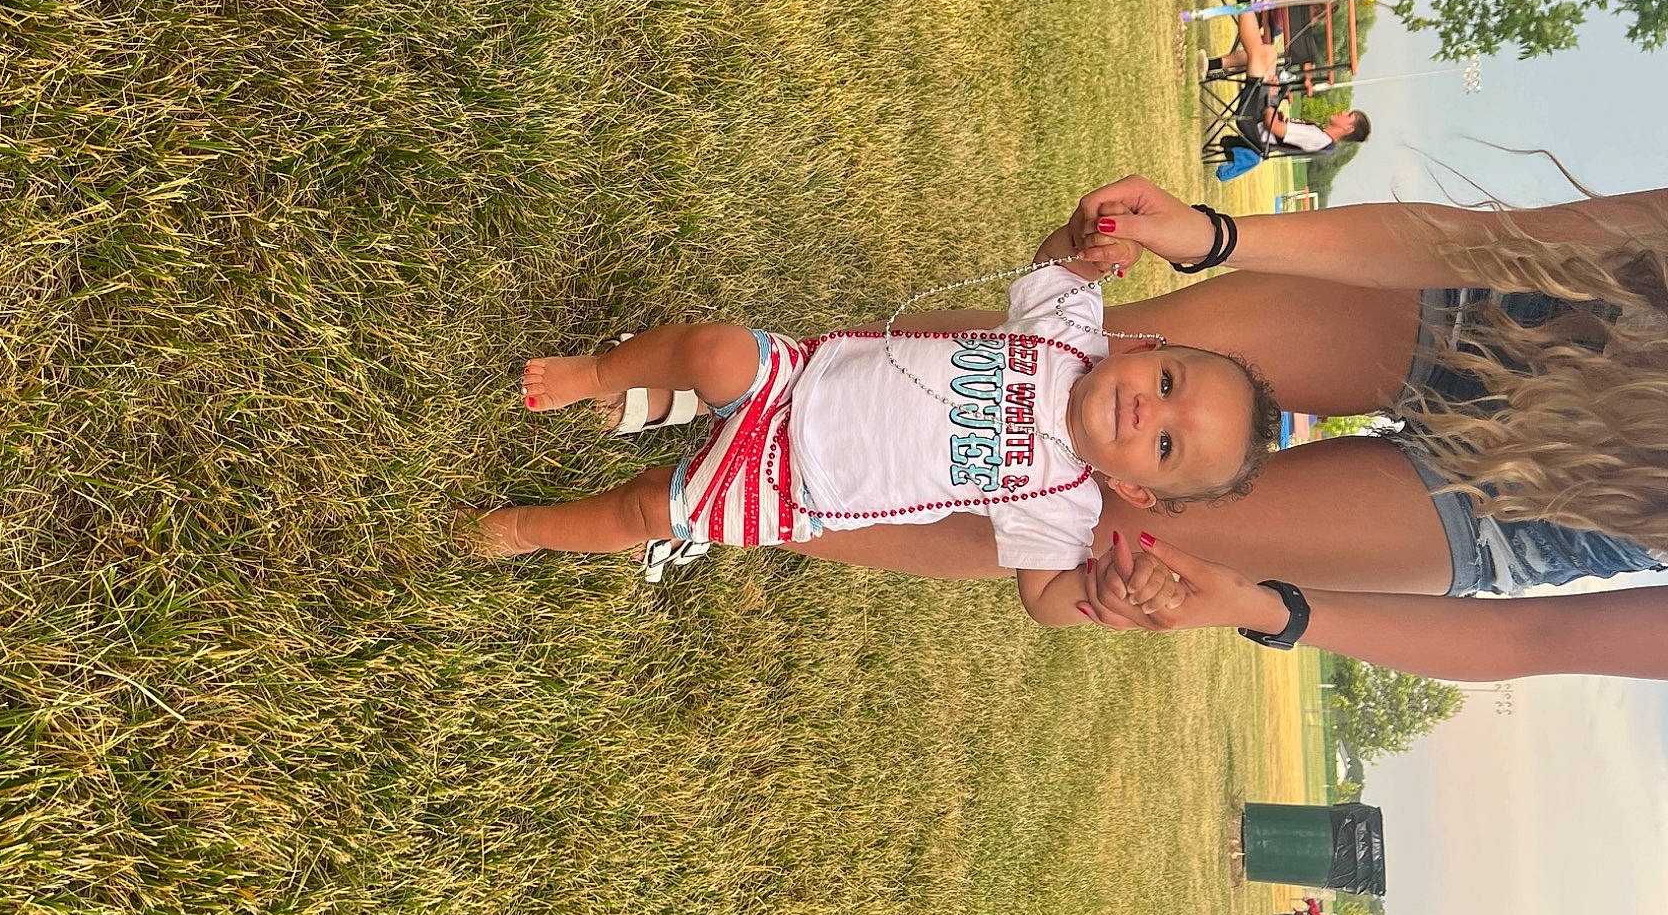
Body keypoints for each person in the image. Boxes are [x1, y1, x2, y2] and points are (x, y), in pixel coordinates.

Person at [720, 175, 1668, 680]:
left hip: (1537, 506)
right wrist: (1214, 235)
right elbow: (1475, 241)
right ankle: (740, 383)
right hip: (1495, 316)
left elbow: (1536, 641)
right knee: (1096, 380)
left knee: (1093, 519)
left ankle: (730, 496)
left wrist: (1262, 607)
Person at [473, 220, 1281, 628]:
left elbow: (1043, 595)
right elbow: (1055, 265)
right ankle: (598, 375)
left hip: (795, 490)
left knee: (653, 504)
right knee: (713, 349)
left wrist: (1098, 596)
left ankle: (527, 529)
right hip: (800, 378)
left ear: (1132, 487)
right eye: (1168, 380)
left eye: (1165, 442)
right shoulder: (1067, 333)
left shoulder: (1062, 499)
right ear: (1147, 346)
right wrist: (1085, 241)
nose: (1147, 408)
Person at [1207, 9, 1371, 166]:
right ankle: (1210, 65)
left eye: (1348, 115)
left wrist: (1272, 98)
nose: (1343, 112)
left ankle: (1243, 1)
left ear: (1347, 128)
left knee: (1258, 55)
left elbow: (1273, 127)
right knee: (1269, 54)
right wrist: (1274, 92)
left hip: (1254, 122)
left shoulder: (1318, 138)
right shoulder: (1322, 136)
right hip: (1260, 115)